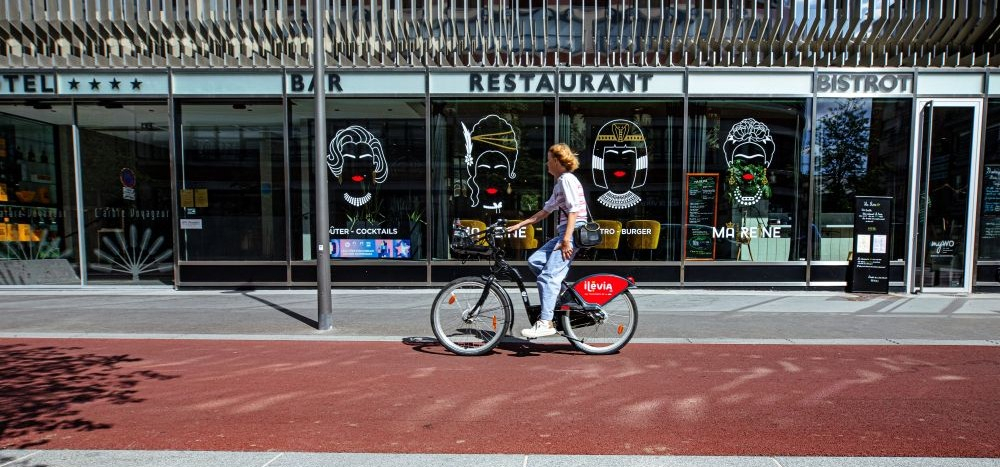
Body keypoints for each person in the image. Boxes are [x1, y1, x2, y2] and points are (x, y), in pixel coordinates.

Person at [507, 143, 588, 339]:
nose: (546, 163)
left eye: (549, 159)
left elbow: (574, 210)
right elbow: (545, 211)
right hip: (565, 232)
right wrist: (521, 224)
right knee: (535, 262)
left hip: (572, 232)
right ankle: (559, 296)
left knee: (548, 277)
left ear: (558, 161)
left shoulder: (567, 179)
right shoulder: (560, 182)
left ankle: (546, 322)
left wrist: (567, 240)